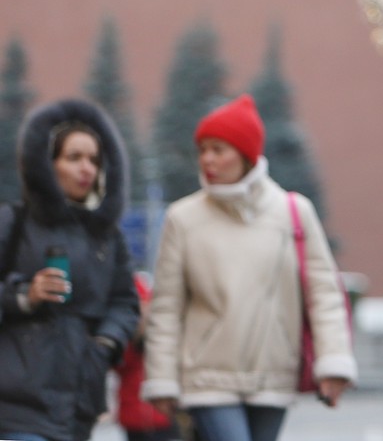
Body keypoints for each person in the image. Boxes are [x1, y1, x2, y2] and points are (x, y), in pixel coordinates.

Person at [142, 94, 356, 441]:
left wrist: (333, 364)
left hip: (273, 376)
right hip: (206, 378)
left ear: (246, 153)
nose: (207, 159)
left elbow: (324, 295)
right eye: (203, 149)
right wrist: (162, 379)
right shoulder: (182, 218)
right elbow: (166, 308)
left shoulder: (293, 212)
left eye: (218, 149)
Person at [0, 97, 140, 441]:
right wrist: (25, 296)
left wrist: (104, 345)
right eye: (74, 157)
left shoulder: (107, 237)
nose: (86, 168)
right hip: (15, 401)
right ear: (47, 164)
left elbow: (125, 302)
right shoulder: (14, 222)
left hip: (79, 401)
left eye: (94, 159)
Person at [116, 272, 182, 441]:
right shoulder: (126, 342)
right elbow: (118, 364)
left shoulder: (164, 337)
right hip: (133, 418)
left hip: (165, 416)